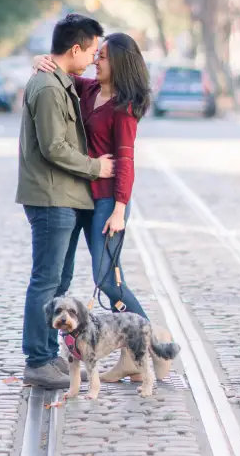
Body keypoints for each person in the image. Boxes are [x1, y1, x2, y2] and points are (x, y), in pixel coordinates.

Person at [34, 31, 173, 383]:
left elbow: (126, 161)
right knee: (110, 278)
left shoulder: (123, 110)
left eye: (105, 57)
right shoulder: (91, 90)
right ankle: (131, 357)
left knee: (107, 279)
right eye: (98, 55)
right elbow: (65, 73)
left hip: (109, 201)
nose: (97, 60)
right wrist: (40, 62)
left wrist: (119, 210)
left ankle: (155, 343)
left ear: (120, 64)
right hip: (83, 197)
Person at [17, 13, 115, 389]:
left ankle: (47, 353)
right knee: (46, 280)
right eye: (92, 50)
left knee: (59, 280)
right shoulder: (47, 87)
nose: (93, 58)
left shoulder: (60, 81)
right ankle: (37, 360)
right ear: (75, 48)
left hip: (65, 196)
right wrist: (96, 168)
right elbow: (54, 147)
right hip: (51, 196)